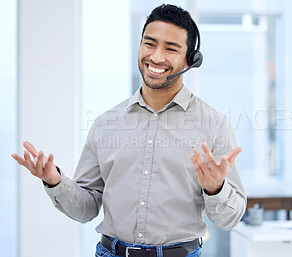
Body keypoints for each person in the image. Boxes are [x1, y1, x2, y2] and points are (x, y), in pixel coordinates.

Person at [11, 4, 247, 257]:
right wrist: (55, 181)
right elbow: (86, 209)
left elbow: (229, 220)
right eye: (149, 44)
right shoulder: (106, 124)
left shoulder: (214, 126)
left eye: (170, 49)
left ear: (191, 60)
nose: (156, 57)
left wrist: (216, 188)